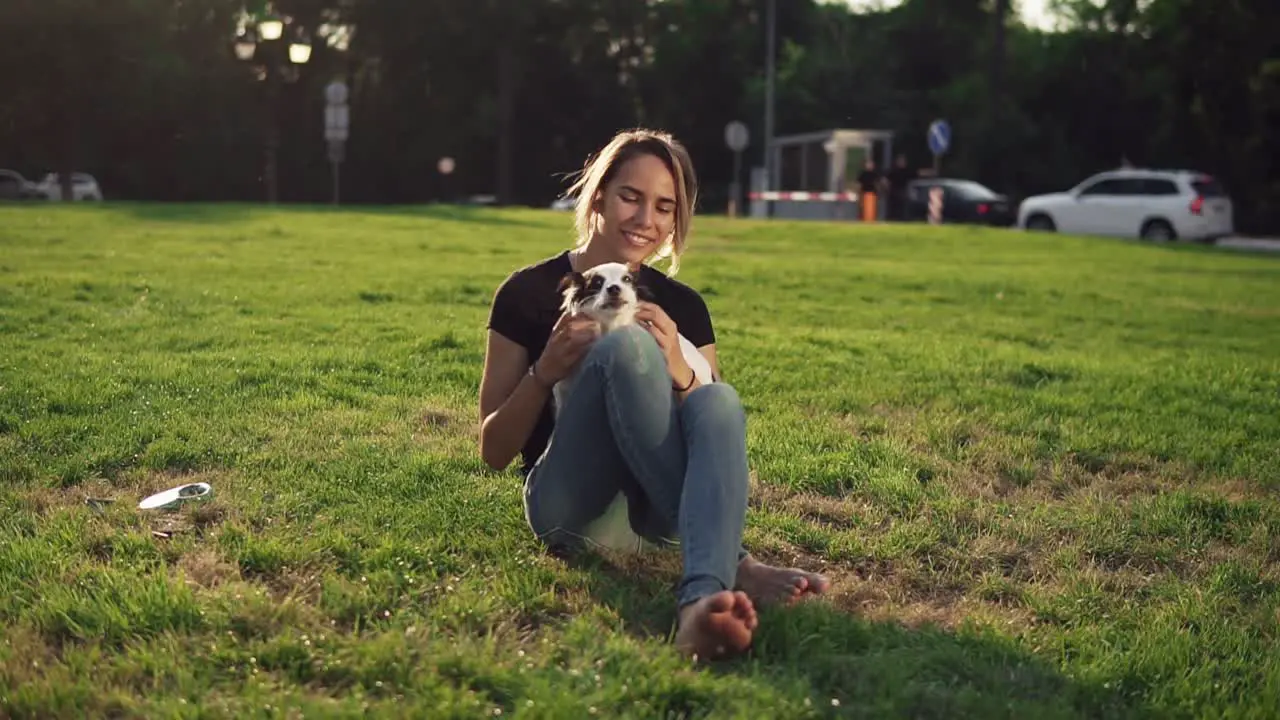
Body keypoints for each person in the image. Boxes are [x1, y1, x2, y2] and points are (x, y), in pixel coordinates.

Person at [478, 128, 830, 661]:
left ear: (675, 221)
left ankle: (700, 605)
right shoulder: (526, 293)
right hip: (567, 507)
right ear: (597, 195)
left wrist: (678, 371)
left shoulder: (684, 308)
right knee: (624, 351)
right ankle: (735, 564)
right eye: (630, 197)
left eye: (664, 207)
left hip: (658, 520)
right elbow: (493, 451)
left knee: (719, 399)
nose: (646, 220)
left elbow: (710, 435)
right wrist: (544, 372)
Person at [885, 154, 917, 222]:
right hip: (894, 192)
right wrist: (887, 189)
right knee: (893, 208)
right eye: (900, 161)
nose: (901, 163)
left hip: (903, 192)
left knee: (903, 207)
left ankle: (902, 218)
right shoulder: (893, 171)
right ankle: (892, 218)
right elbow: (887, 180)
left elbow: (916, 174)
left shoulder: (907, 171)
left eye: (902, 161)